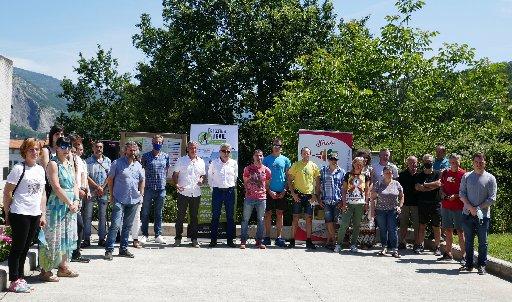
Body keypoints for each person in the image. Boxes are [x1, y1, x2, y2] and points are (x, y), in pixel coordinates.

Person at [3, 138, 46, 293]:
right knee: (17, 248)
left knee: (26, 247)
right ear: (24, 151)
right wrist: (7, 213)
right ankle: (14, 280)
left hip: (35, 213)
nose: (34, 152)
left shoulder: (40, 170)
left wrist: (43, 214)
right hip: (20, 213)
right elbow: (7, 192)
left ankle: (21, 278)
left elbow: (42, 194)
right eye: (31, 149)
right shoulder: (18, 169)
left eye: (36, 149)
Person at [39, 136, 80, 282]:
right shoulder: (53, 164)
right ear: (56, 147)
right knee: (53, 237)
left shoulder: (70, 163)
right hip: (57, 205)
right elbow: (56, 186)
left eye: (68, 146)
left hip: (70, 206)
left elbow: (75, 183)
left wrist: (76, 200)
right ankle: (46, 270)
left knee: (66, 237)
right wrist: (70, 202)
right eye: (63, 146)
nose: (66, 149)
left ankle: (63, 267)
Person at [104, 141, 145, 260]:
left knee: (127, 226)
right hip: (119, 198)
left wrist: (141, 193)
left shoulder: (138, 165)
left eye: (134, 150)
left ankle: (123, 249)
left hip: (134, 199)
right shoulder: (117, 163)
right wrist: (111, 196)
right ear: (125, 150)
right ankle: (109, 250)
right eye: (130, 150)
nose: (132, 152)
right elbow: (110, 180)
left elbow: (142, 180)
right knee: (115, 225)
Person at [459, 152, 497, 275]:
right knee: (469, 241)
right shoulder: (466, 176)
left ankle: (481, 265)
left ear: (485, 162)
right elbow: (462, 194)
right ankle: (469, 264)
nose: (479, 164)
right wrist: (471, 208)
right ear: (473, 162)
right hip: (467, 213)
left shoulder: (490, 178)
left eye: (481, 162)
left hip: (483, 216)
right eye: (476, 162)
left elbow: (492, 198)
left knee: (483, 242)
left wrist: (478, 208)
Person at [172, 141, 206, 248]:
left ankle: (194, 239)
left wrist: (201, 179)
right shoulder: (181, 160)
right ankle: (178, 239)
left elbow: (203, 176)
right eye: (191, 148)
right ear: (187, 149)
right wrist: (176, 184)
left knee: (194, 217)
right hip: (183, 192)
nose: (193, 150)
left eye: (195, 148)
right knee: (180, 217)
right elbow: (175, 174)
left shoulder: (201, 161)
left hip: (196, 193)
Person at [139, 134, 171, 246]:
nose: (157, 144)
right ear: (152, 143)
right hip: (148, 189)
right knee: (145, 212)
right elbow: (141, 171)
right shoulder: (146, 156)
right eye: (156, 142)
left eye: (159, 142)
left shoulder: (166, 156)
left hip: (161, 189)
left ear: (162, 143)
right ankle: (144, 235)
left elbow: (166, 170)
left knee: (158, 213)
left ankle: (158, 235)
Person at [335, 157, 370, 253]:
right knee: (344, 224)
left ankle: (353, 244)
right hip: (349, 204)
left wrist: (366, 203)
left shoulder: (365, 176)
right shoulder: (348, 175)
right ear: (353, 164)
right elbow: (344, 190)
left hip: (360, 204)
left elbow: (367, 191)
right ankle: (338, 244)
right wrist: (344, 203)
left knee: (357, 225)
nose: (359, 165)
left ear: (363, 165)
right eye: (357, 163)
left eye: (361, 164)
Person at [288, 147, 320, 249]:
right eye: (304, 153)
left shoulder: (314, 166)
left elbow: (318, 182)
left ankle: (309, 241)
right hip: (298, 195)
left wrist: (315, 195)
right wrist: (293, 193)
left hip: (310, 196)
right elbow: (289, 179)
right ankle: (292, 241)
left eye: (308, 153)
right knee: (295, 218)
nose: (306, 155)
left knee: (309, 219)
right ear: (301, 154)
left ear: (310, 154)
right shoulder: (296, 165)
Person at [262, 137, 291, 247]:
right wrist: (268, 191)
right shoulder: (266, 159)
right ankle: (267, 237)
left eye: (278, 145)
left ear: (281, 148)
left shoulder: (286, 160)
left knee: (279, 214)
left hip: (281, 191)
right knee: (268, 214)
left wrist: (284, 190)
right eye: (275, 145)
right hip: (269, 191)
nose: (276, 147)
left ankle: (279, 237)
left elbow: (288, 177)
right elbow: (263, 177)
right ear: (272, 146)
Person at [208, 143, 238, 248]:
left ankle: (230, 241)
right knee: (215, 216)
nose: (226, 153)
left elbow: (235, 177)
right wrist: (214, 189)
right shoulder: (214, 163)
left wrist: (229, 187)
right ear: (220, 151)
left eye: (228, 151)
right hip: (217, 192)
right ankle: (213, 241)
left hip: (230, 192)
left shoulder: (234, 163)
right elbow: (210, 177)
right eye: (224, 151)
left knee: (230, 217)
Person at [240, 149, 271, 249]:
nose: (259, 158)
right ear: (253, 157)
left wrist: (262, 192)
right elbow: (245, 182)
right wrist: (248, 191)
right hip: (249, 198)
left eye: (261, 156)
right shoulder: (248, 169)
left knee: (261, 220)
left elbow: (267, 184)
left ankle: (258, 242)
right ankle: (243, 241)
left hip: (262, 199)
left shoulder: (267, 170)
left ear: (263, 157)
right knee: (245, 220)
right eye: (257, 156)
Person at [438, 153, 466, 262]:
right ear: (449, 162)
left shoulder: (464, 174)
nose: (453, 164)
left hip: (459, 206)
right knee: (448, 230)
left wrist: (456, 196)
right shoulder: (445, 173)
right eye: (452, 162)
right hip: (446, 206)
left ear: (460, 162)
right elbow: (441, 187)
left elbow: (466, 191)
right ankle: (448, 253)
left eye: (456, 162)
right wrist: (443, 194)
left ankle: (464, 255)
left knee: (460, 231)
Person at [371, 165, 404, 258]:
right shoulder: (379, 183)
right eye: (386, 173)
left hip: (392, 210)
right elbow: (373, 197)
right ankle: (384, 247)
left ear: (392, 174)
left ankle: (395, 249)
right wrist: (373, 193)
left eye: (390, 173)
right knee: (383, 229)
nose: (388, 174)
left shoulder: (397, 184)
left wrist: (399, 206)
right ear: (383, 174)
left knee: (393, 230)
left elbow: (402, 196)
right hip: (380, 210)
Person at [84, 141, 111, 247]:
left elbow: (110, 175)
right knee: (88, 216)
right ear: (93, 148)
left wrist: (103, 187)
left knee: (103, 216)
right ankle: (86, 239)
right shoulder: (87, 161)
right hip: (91, 191)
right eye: (96, 147)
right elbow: (86, 176)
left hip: (103, 191)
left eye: (100, 147)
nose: (99, 149)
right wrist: (96, 187)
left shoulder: (108, 161)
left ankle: (101, 239)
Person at [414, 154, 442, 255]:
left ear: (433, 161)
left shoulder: (438, 173)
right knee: (422, 225)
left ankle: (437, 247)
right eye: (426, 161)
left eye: (429, 161)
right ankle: (420, 245)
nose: (428, 163)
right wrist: (432, 186)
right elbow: (418, 187)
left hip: (435, 204)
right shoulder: (419, 175)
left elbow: (439, 184)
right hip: (423, 203)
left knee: (436, 226)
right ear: (423, 162)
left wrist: (425, 185)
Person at [316, 152, 345, 250]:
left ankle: (329, 241)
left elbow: (344, 188)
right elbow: (318, 186)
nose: (333, 161)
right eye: (332, 159)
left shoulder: (342, 172)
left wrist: (343, 201)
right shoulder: (323, 171)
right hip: (326, 201)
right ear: (328, 160)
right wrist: (319, 199)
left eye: (335, 159)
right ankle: (335, 241)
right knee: (328, 221)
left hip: (337, 201)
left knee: (335, 222)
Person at [69, 138, 90, 263]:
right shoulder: (67, 160)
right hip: (70, 195)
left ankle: (75, 252)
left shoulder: (81, 161)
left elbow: (83, 176)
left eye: (79, 148)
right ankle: (73, 252)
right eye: (75, 147)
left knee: (78, 225)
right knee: (78, 224)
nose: (77, 150)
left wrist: (85, 189)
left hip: (78, 195)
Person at [398, 156, 420, 250]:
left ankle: (417, 243)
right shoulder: (402, 175)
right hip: (405, 203)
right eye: (411, 163)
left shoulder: (420, 174)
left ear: (417, 163)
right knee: (403, 224)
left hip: (417, 204)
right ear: (407, 163)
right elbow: (399, 190)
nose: (413, 164)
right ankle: (402, 242)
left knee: (417, 225)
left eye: (414, 162)